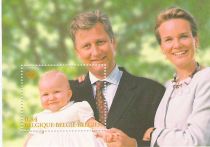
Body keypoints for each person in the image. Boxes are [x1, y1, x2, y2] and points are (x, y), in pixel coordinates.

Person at [69, 10, 165, 147]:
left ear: (113, 43)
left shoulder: (151, 92)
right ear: (77, 53)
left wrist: (135, 144)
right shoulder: (65, 94)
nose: (95, 52)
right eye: (86, 46)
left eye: (100, 42)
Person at [143, 7, 210, 146]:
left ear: (195, 40)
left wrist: (155, 133)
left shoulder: (206, 79)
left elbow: (196, 141)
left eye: (183, 36)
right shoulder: (167, 87)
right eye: (168, 39)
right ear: (162, 48)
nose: (177, 45)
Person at [24, 70, 108, 147]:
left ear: (68, 94)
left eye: (56, 92)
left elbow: (92, 123)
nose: (51, 98)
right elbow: (31, 137)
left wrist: (106, 134)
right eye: (45, 94)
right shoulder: (40, 117)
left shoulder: (77, 108)